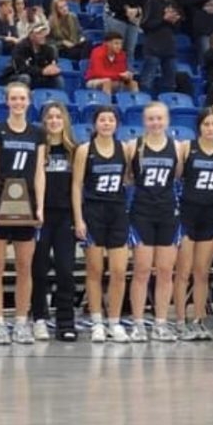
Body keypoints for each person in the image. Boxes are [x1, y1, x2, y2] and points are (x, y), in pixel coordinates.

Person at [0, 83, 46, 345]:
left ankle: (21, 323)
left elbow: (39, 172)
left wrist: (40, 205)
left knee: (24, 267)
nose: (18, 102)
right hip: (0, 203)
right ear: (7, 102)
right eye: (14, 98)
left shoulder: (38, 133)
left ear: (29, 102)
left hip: (26, 206)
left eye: (22, 98)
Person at [72, 107, 131, 344]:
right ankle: (97, 321)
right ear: (95, 123)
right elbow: (76, 186)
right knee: (95, 271)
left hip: (117, 212)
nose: (106, 123)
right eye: (102, 119)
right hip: (93, 212)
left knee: (118, 271)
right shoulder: (85, 150)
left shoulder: (124, 149)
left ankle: (115, 322)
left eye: (111, 119)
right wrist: (78, 218)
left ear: (116, 123)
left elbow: (127, 179)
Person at [127, 102, 181, 342]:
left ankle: (161, 322)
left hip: (168, 213)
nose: (156, 123)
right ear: (144, 121)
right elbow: (128, 177)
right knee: (141, 270)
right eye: (151, 119)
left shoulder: (177, 147)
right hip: (142, 213)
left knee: (166, 271)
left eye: (160, 118)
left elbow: (177, 175)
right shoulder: (133, 146)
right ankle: (138, 323)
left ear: (167, 120)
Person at [173, 109, 213, 340]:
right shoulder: (187, 147)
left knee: (202, 273)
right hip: (187, 215)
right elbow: (175, 177)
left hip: (210, 215)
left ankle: (199, 319)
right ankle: (179, 320)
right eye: (206, 124)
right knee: (183, 272)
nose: (210, 128)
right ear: (199, 127)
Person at [31, 103, 77, 342]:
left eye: (59, 116)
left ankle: (66, 321)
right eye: (49, 117)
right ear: (43, 121)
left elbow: (79, 186)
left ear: (65, 120)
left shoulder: (74, 150)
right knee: (38, 269)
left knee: (66, 271)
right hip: (41, 217)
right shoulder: (38, 148)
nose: (54, 120)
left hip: (65, 217)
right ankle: (39, 318)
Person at [139, 0, 181, 95]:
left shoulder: (173, 3)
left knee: (170, 83)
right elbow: (145, 24)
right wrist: (163, 19)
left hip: (169, 48)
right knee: (147, 81)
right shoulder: (152, 1)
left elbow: (176, 28)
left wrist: (175, 21)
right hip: (153, 47)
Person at [6, 23, 65, 90]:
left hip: (39, 76)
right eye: (39, 34)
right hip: (18, 76)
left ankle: (57, 98)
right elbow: (21, 68)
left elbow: (52, 65)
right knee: (25, 78)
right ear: (31, 35)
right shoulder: (20, 47)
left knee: (58, 79)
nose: (43, 36)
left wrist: (53, 69)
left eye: (44, 34)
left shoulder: (49, 49)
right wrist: (41, 71)